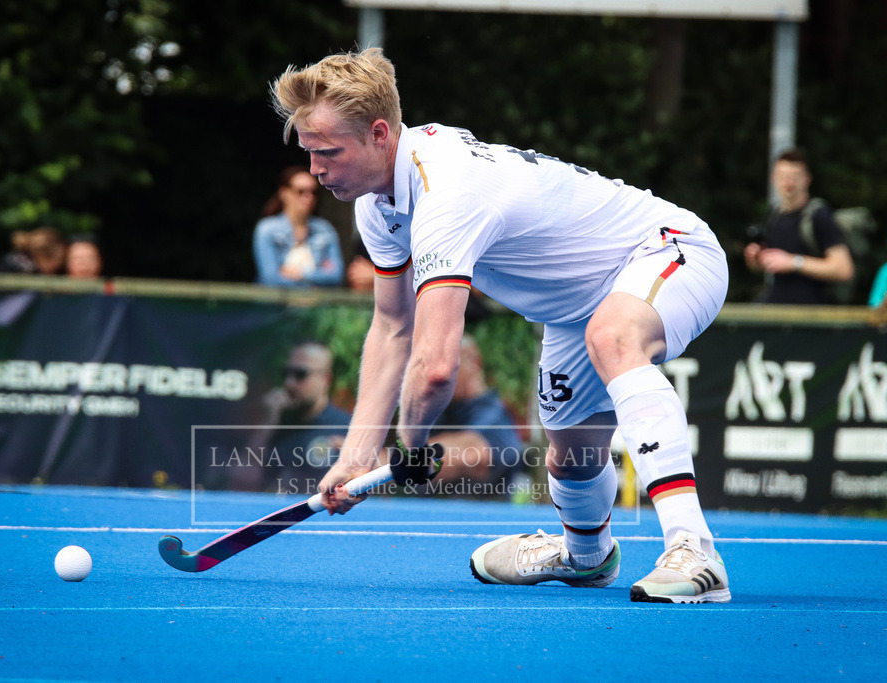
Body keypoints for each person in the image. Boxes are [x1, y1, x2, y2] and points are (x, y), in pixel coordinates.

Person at [271, 48, 730, 603]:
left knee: (614, 337)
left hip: (668, 250)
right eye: (309, 153)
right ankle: (585, 556)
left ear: (378, 134)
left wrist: (411, 449)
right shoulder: (377, 204)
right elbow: (393, 327)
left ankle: (695, 550)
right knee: (573, 449)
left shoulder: (446, 193)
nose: (315, 170)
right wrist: (356, 454)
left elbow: (437, 366)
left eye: (327, 153)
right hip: (570, 308)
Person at [744, 149, 854, 304]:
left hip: (811, 316)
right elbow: (771, 265)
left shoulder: (819, 216)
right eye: (783, 177)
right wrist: (756, 260)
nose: (789, 183)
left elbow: (844, 269)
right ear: (773, 179)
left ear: (807, 179)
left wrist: (794, 262)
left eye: (795, 177)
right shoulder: (774, 215)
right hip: (776, 310)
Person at [242, 341, 351, 494]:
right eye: (286, 373)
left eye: (300, 374)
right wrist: (269, 421)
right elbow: (241, 483)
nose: (289, 383)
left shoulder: (346, 427)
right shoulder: (276, 425)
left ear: (325, 379)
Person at [427, 335, 524, 490]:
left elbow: (473, 454)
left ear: (474, 362)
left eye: (445, 363)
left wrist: (389, 465)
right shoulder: (442, 412)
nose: (434, 374)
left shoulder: (495, 415)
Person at [253, 166, 345, 287]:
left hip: (315, 304)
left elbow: (336, 276)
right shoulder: (267, 229)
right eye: (301, 191)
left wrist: (300, 274)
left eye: (313, 192)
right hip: (277, 304)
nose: (309, 197)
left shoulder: (325, 229)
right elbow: (270, 278)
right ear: (284, 193)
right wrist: (319, 274)